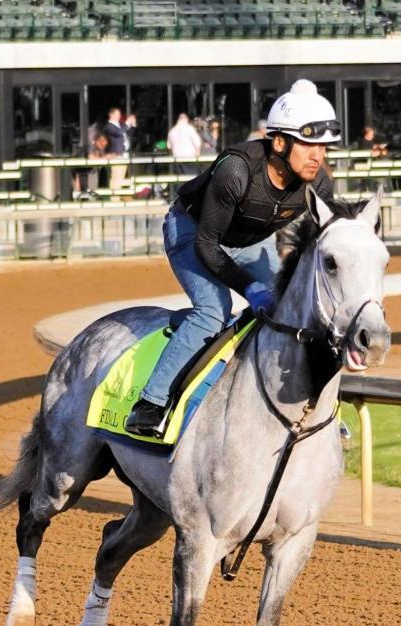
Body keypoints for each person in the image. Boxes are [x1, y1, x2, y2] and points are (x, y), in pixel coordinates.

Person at [125, 79, 339, 437]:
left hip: (252, 241)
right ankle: (151, 403)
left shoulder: (319, 184)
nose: (318, 155)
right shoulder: (236, 170)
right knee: (213, 311)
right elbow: (208, 245)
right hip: (193, 232)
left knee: (292, 310)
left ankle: (315, 408)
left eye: (323, 146)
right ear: (280, 142)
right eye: (308, 144)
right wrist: (250, 287)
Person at [103, 107, 128, 191]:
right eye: (117, 114)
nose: (119, 116)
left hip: (123, 154)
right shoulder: (109, 126)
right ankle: (114, 197)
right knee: (115, 177)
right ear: (111, 115)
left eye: (119, 114)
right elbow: (119, 133)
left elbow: (124, 131)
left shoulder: (119, 125)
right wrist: (127, 123)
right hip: (115, 154)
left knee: (121, 177)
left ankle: (119, 194)